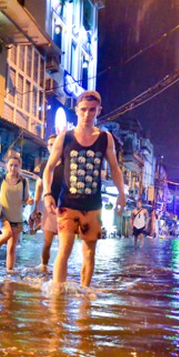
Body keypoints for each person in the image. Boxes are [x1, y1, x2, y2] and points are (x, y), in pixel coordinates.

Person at [42, 90, 126, 290]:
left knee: (89, 252)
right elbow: (49, 168)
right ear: (76, 111)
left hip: (93, 206)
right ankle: (56, 300)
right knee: (64, 249)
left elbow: (114, 168)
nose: (87, 115)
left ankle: (85, 300)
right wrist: (47, 194)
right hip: (67, 204)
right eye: (83, 110)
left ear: (99, 111)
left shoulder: (106, 138)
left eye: (92, 110)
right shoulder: (64, 138)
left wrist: (122, 194)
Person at [0, 151, 34, 270]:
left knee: (12, 249)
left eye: (15, 165)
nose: (13, 168)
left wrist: (29, 201)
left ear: (19, 166)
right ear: (6, 165)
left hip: (17, 218)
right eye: (11, 165)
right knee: (7, 233)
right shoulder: (0, 179)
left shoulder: (23, 182)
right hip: (2, 215)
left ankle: (9, 273)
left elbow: (26, 197)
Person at [32, 134, 61, 271]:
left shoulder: (68, 164)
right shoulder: (44, 166)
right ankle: (44, 268)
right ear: (47, 147)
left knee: (64, 244)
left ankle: (60, 272)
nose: (53, 146)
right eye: (50, 144)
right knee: (47, 243)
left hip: (65, 208)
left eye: (55, 143)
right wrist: (35, 207)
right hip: (49, 208)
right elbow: (39, 186)